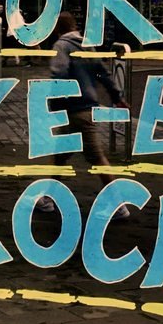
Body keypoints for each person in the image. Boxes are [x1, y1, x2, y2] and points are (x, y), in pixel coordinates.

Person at [47, 11, 130, 218]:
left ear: (57, 29)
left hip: (76, 109)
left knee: (97, 158)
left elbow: (60, 72)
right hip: (86, 106)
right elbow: (102, 72)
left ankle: (118, 205)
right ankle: (48, 198)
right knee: (61, 156)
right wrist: (116, 96)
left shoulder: (61, 46)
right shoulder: (86, 45)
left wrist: (54, 98)